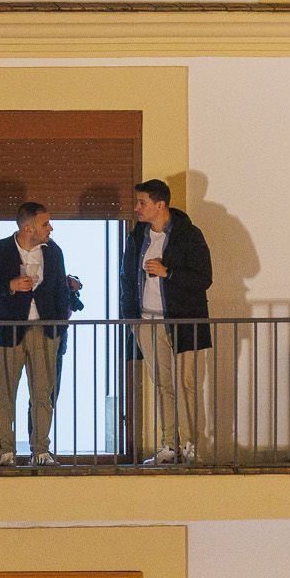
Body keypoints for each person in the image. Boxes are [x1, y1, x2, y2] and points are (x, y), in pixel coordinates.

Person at [0, 201, 82, 466]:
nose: (51, 228)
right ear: (28, 228)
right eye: (45, 223)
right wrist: (10, 286)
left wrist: (59, 328)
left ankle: (41, 450)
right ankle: (5, 451)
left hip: (45, 330)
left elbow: (60, 290)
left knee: (43, 394)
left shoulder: (54, 252)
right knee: (5, 393)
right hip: (9, 330)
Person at [120, 178, 213, 465]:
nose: (136, 208)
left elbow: (203, 278)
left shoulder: (189, 234)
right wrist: (131, 319)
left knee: (187, 384)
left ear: (160, 205)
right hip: (147, 323)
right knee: (163, 385)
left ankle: (191, 445)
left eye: (142, 202)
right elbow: (126, 278)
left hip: (184, 322)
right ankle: (170, 445)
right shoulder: (137, 237)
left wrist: (167, 272)